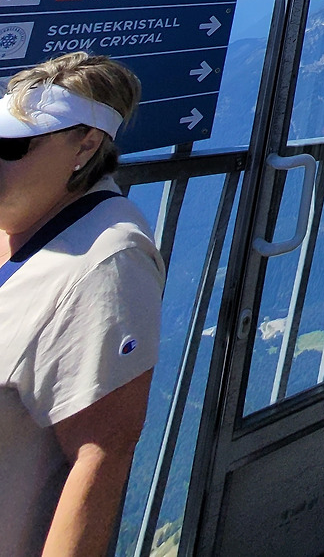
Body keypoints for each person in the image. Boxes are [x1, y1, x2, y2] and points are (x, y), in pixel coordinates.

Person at [0, 53, 165, 557]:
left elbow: (101, 454)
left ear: (87, 144)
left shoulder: (109, 261)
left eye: (12, 146)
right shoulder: (18, 212)